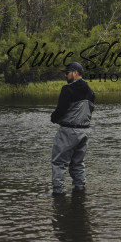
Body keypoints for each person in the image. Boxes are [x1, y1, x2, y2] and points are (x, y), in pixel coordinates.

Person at [49, 61, 95, 195]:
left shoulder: (67, 89)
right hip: (84, 132)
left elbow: (60, 111)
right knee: (78, 163)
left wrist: (53, 118)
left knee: (59, 163)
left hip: (68, 131)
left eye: (67, 73)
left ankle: (57, 194)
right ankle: (80, 191)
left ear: (75, 73)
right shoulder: (91, 92)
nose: (65, 76)